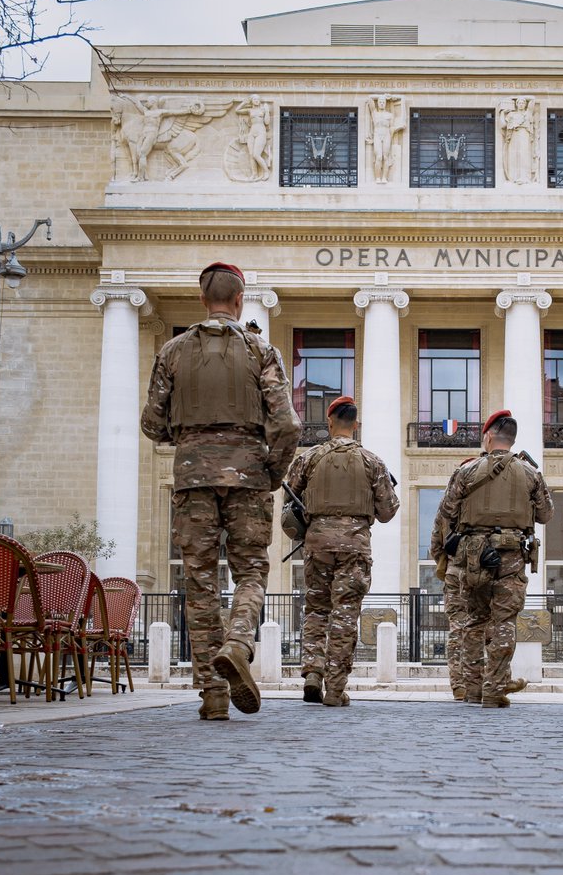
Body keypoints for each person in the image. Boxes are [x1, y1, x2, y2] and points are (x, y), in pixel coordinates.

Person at [140, 262, 301, 721]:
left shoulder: (172, 352)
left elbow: (151, 422)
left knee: (200, 583)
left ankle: (212, 695)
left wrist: (188, 439)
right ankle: (237, 643)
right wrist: (272, 471)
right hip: (249, 473)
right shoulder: (260, 351)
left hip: (192, 477)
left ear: (201, 299)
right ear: (240, 300)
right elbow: (287, 424)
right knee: (250, 571)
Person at [433, 410, 554, 707]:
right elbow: (546, 514)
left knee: (474, 622)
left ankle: (472, 689)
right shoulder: (530, 473)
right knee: (504, 622)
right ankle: (495, 688)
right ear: (512, 439)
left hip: (473, 558)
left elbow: (446, 513)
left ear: (488, 436)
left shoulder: (466, 471)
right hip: (511, 556)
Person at [285, 396, 399, 707]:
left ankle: (312, 672)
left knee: (317, 609)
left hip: (317, 544)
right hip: (354, 546)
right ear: (356, 425)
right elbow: (388, 511)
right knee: (345, 615)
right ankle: (335, 690)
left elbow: (289, 497)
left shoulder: (309, 458)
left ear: (330, 422)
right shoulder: (372, 462)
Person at [430, 454, 529, 703]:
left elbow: (435, 544)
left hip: (457, 572)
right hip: (467, 570)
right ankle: (489, 682)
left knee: (465, 626)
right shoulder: (468, 508)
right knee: (487, 624)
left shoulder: (448, 509)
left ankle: (466, 683)